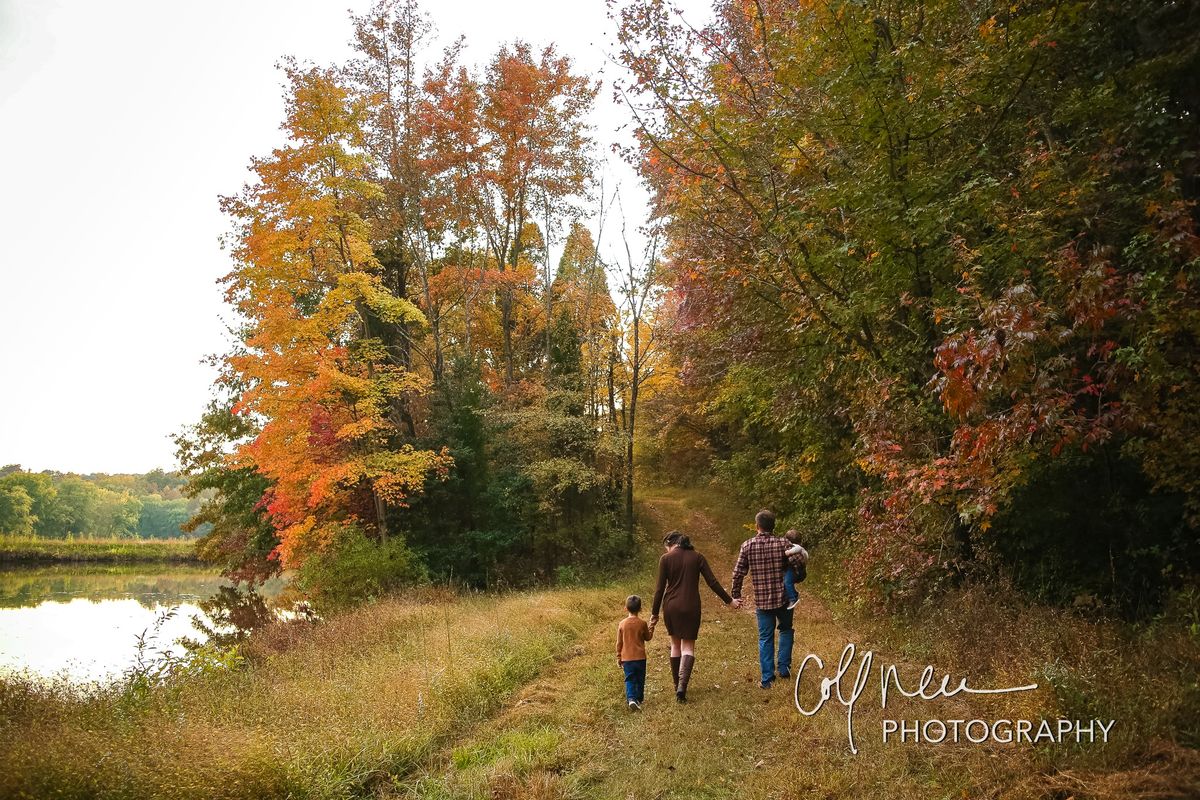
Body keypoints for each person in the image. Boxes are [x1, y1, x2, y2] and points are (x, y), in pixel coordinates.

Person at [651, 531, 733, 703]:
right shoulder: (698, 557)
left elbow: (659, 589)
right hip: (691, 606)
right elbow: (712, 582)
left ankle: (676, 685)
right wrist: (729, 601)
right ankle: (683, 686)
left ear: (671, 543)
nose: (666, 550)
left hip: (671, 606)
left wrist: (654, 613)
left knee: (675, 644)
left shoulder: (665, 559)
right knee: (688, 646)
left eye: (666, 547)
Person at [730, 510, 808, 688]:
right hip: (784, 598)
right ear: (774, 526)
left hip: (763, 600)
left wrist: (736, 594)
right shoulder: (783, 543)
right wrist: (797, 576)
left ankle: (767, 679)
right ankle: (784, 668)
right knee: (786, 630)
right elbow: (799, 561)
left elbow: (738, 573)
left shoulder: (748, 545)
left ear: (757, 526)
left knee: (765, 637)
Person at [616, 594, 654, 711]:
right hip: (640, 658)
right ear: (640, 609)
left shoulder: (622, 624)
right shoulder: (642, 623)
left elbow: (619, 643)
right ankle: (639, 698)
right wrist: (651, 626)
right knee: (640, 678)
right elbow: (648, 637)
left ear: (626, 608)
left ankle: (631, 699)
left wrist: (619, 657)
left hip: (627, 658)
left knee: (630, 678)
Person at [782, 529, 809, 611]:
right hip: (800, 569)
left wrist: (788, 552)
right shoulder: (802, 550)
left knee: (787, 582)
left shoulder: (796, 547)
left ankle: (793, 598)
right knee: (788, 582)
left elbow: (797, 548)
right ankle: (793, 595)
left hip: (794, 569)